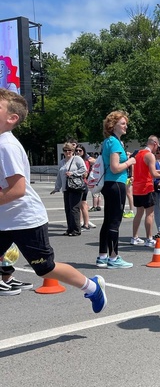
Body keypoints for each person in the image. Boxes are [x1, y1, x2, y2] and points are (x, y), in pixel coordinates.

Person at [0, 89, 106, 312]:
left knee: (46, 269)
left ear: (12, 118)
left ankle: (92, 288)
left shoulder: (6, 145)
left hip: (24, 220)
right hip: (4, 220)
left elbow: (18, 189)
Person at [97, 110, 137, 269]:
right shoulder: (114, 142)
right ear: (113, 125)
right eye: (122, 123)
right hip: (116, 184)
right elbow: (115, 167)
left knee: (107, 221)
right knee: (114, 221)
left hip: (109, 184)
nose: (125, 126)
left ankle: (102, 256)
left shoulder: (109, 141)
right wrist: (130, 161)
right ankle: (114, 258)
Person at [131, 136, 160, 247]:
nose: (158, 149)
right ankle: (149, 239)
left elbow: (145, 170)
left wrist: (157, 171)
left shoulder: (138, 154)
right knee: (149, 214)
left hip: (137, 187)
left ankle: (134, 237)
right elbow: (153, 174)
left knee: (139, 213)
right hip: (146, 187)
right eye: (158, 146)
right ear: (155, 143)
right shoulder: (150, 155)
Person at [51, 143, 87, 236]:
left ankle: (76, 229)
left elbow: (84, 169)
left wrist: (73, 173)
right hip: (66, 187)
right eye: (65, 150)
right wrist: (57, 188)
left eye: (69, 150)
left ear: (73, 151)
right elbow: (59, 175)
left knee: (74, 208)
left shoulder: (77, 159)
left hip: (75, 187)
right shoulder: (62, 162)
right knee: (68, 209)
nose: (67, 152)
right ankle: (70, 229)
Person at [75, 145, 96, 230]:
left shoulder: (85, 161)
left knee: (83, 205)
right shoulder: (75, 160)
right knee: (80, 205)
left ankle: (86, 224)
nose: (78, 152)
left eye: (80, 150)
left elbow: (85, 173)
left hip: (82, 184)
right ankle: (81, 223)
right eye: (76, 150)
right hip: (78, 184)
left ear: (83, 152)